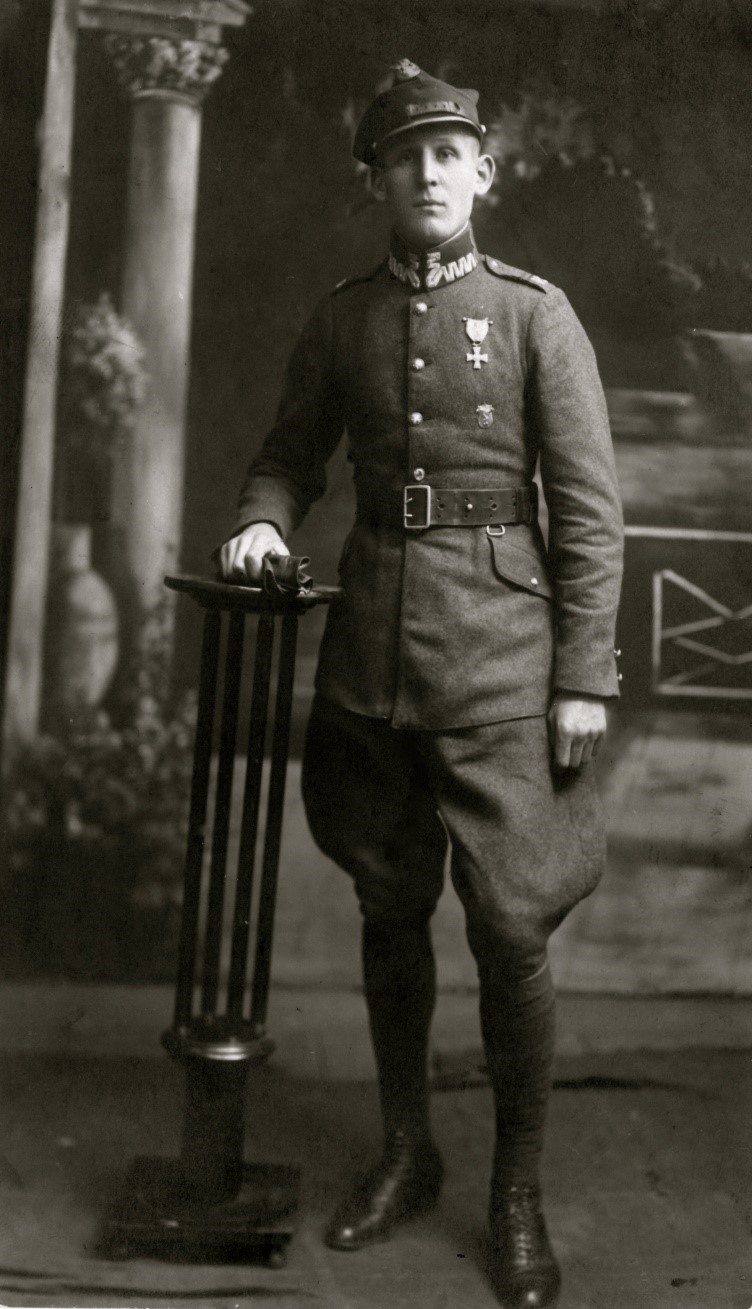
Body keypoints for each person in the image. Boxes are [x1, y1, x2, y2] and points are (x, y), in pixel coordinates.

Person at [219, 59, 623, 1309]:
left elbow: (590, 513)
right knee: (388, 906)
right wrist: (261, 519)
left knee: (509, 928)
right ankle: (407, 1148)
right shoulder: (342, 318)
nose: (428, 173)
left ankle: (515, 1191)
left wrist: (581, 674)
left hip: (503, 662)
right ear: (375, 183)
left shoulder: (535, 314)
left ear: (482, 174)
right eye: (405, 157)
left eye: (449, 154)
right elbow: (289, 452)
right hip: (372, 662)